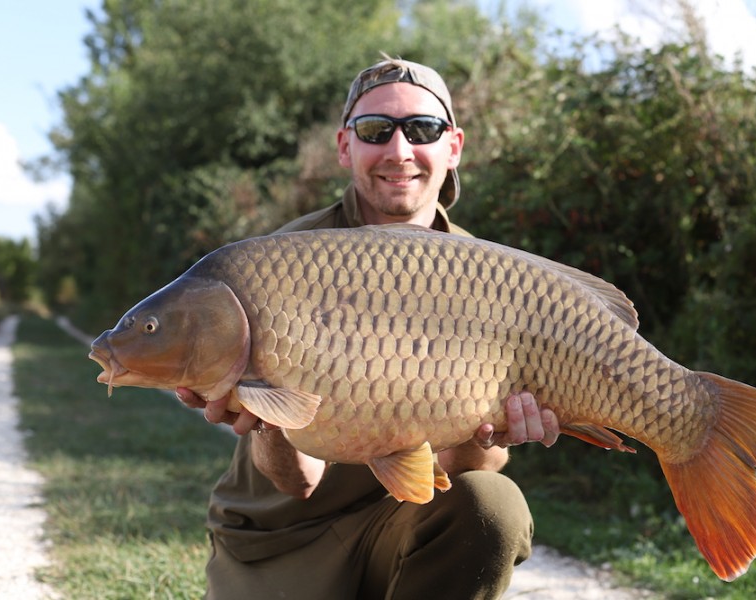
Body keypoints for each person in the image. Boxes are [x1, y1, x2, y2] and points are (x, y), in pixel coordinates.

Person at [177, 57, 561, 600]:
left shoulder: (490, 276)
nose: (399, 151)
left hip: (404, 530)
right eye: (375, 130)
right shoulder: (282, 263)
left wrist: (489, 434)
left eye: (422, 129)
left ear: (453, 146)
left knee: (491, 502)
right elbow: (298, 482)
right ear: (344, 146)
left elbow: (466, 467)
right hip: (281, 542)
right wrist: (263, 415)